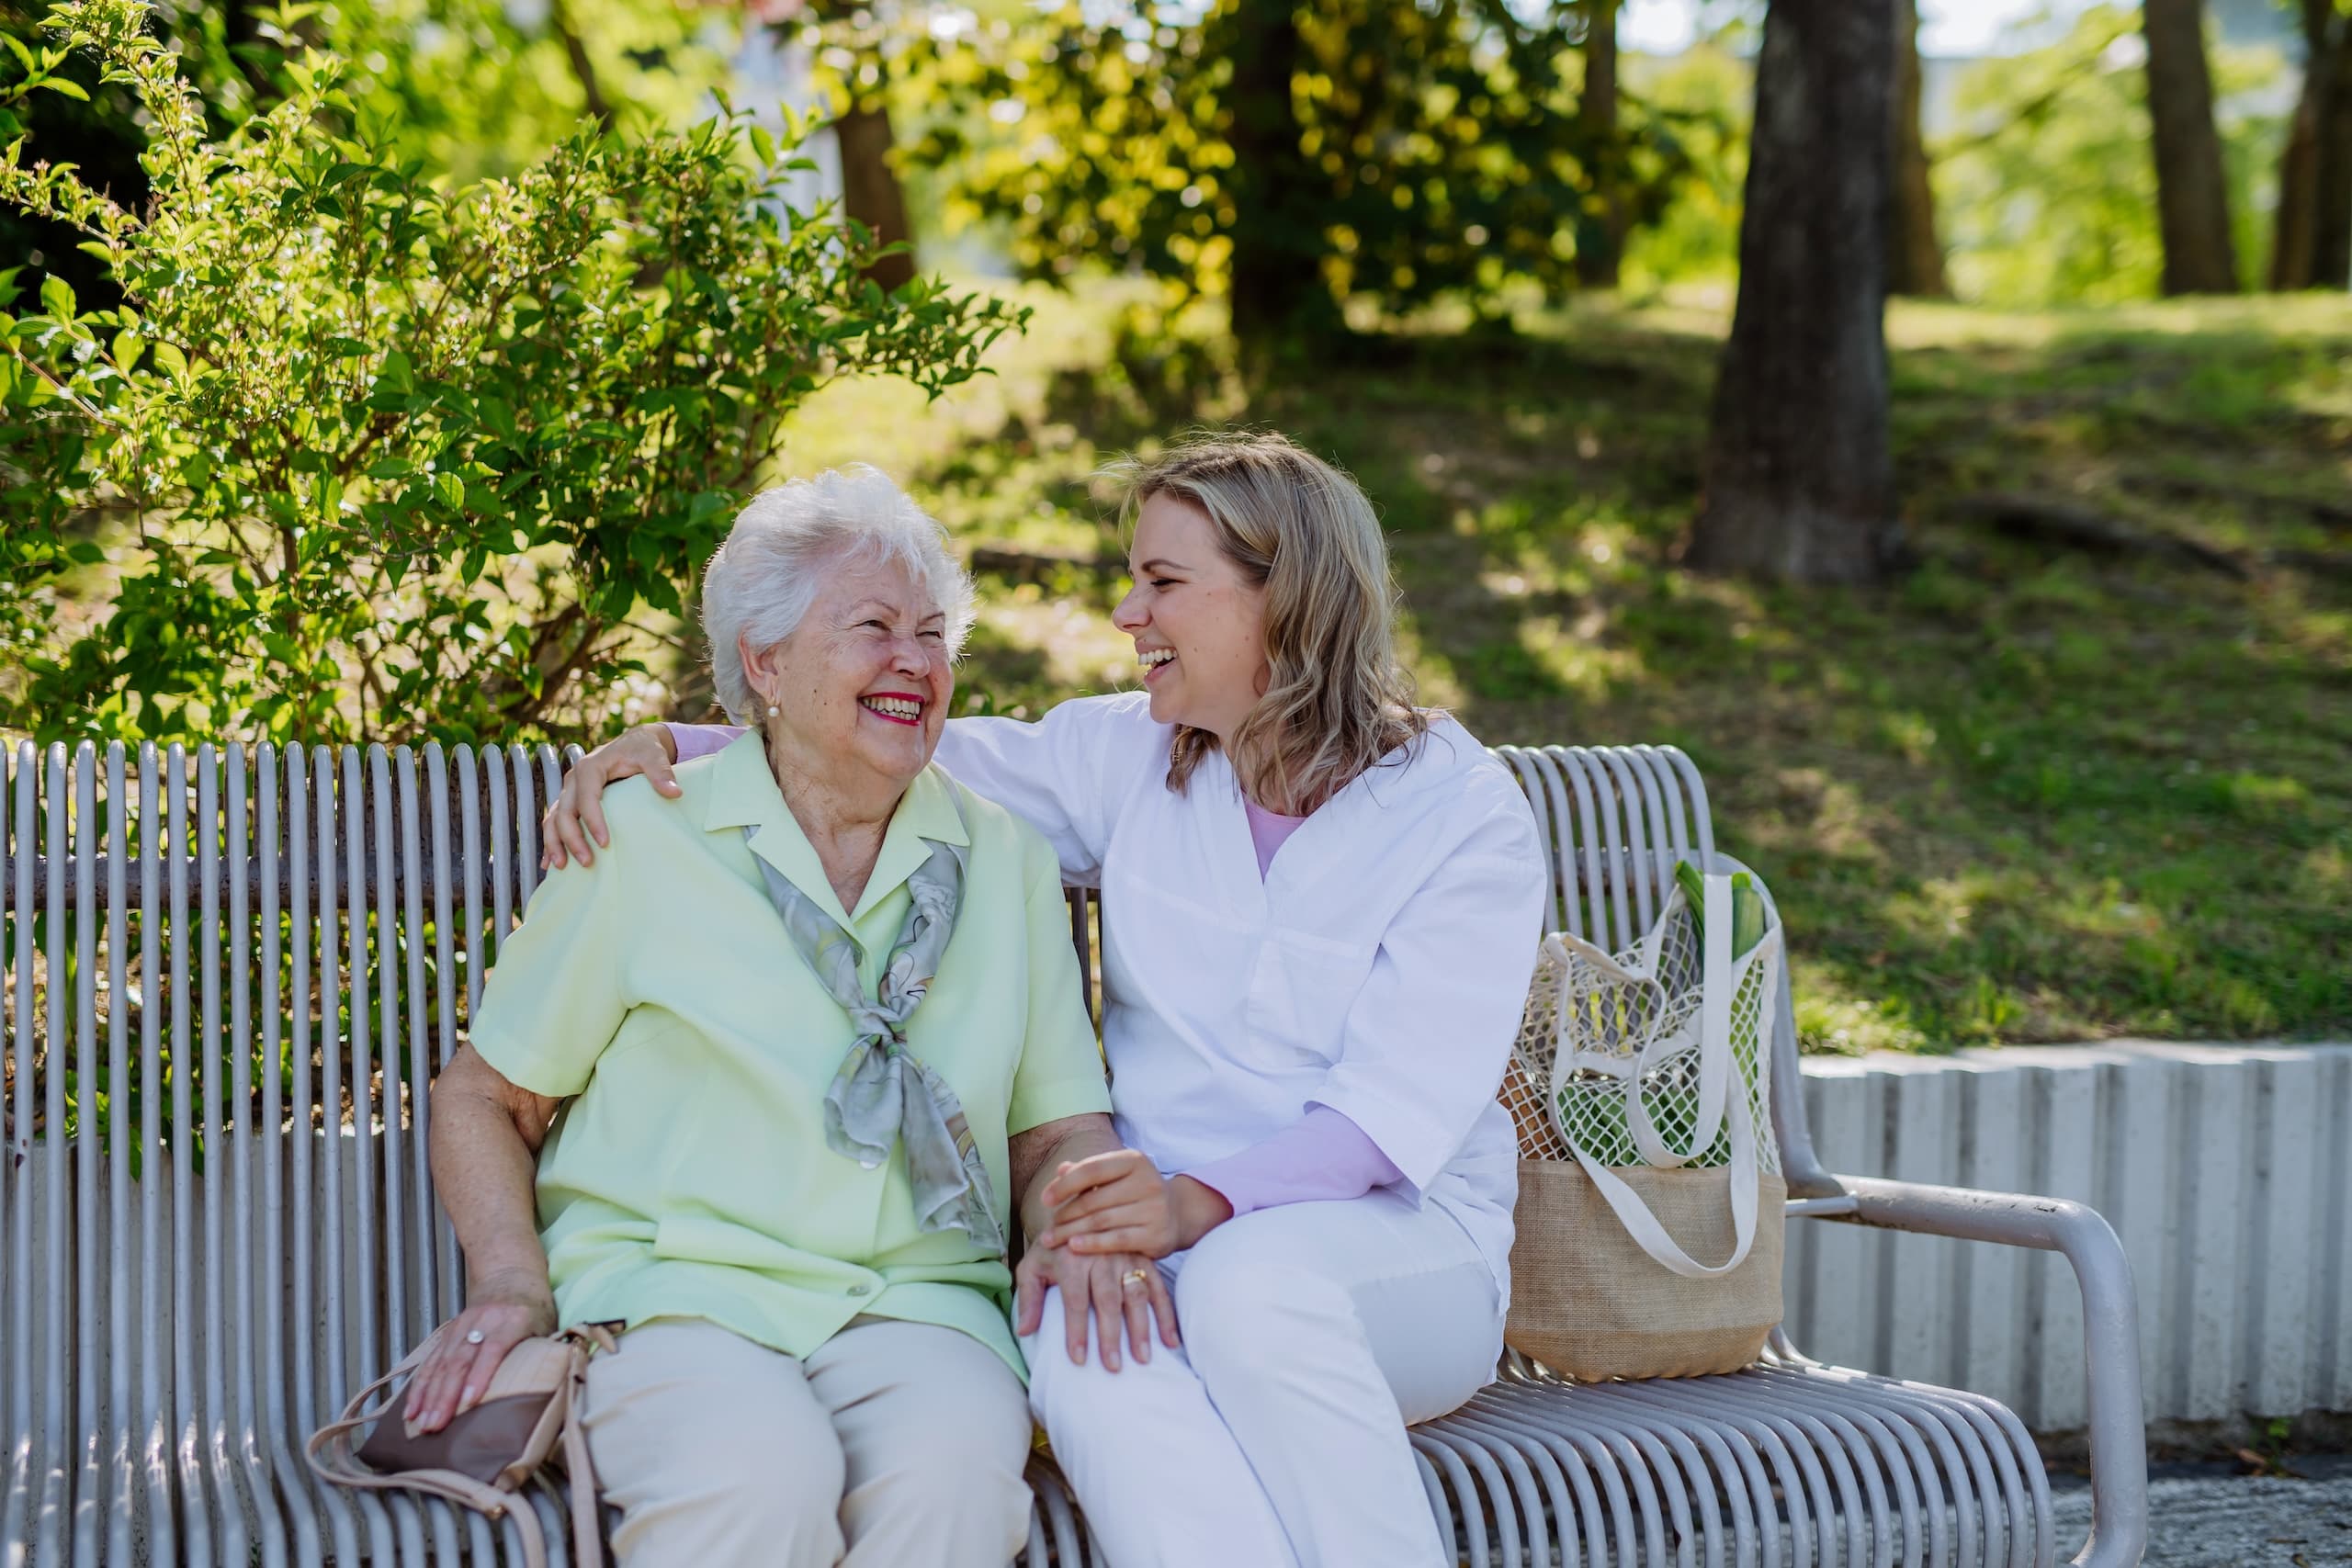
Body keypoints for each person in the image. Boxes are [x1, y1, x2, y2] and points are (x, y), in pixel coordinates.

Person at [543, 433, 1547, 1568]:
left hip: (1390, 1253)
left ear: (1289, 600)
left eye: (1164, 582)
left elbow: (1389, 1117)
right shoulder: (1130, 754)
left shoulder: (1459, 814)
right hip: (1138, 1242)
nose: (1128, 614)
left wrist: (1187, 1205)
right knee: (1075, 1340)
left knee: (1254, 1295)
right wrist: (675, 743)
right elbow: (889, 741)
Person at [409, 468, 1174, 1568]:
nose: (914, 661)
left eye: (930, 633)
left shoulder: (1000, 860)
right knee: (760, 1480)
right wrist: (511, 1286)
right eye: (872, 629)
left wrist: (1084, 1226)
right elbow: (488, 1093)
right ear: (764, 664)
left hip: (920, 1297)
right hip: (678, 1289)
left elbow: (1057, 1128)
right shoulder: (647, 840)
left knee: (952, 1484)